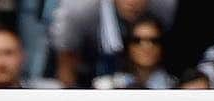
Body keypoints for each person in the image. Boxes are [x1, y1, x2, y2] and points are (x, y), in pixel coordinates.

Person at [50, 0, 178, 87]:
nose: (132, 2)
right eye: (137, 40)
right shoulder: (78, 11)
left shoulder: (166, 9)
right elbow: (66, 67)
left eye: (154, 41)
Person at [92, 15, 176, 88]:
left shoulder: (177, 88)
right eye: (137, 41)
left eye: (154, 41)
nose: (146, 47)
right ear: (128, 46)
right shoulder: (104, 87)